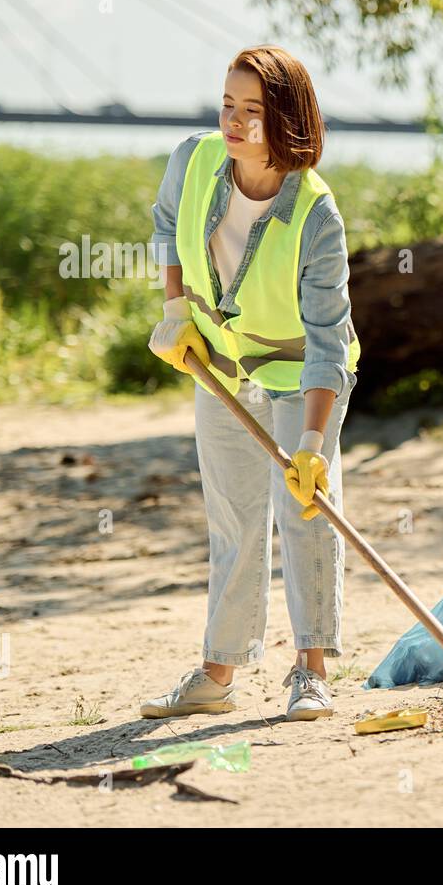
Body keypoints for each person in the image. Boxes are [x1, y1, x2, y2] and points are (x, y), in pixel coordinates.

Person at [139, 45, 360, 721]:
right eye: (227, 105)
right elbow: (168, 229)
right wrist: (177, 311)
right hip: (221, 366)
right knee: (232, 517)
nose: (232, 123)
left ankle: (311, 671)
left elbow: (327, 344)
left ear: (286, 121)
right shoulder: (195, 159)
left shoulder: (316, 216)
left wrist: (314, 446)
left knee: (305, 511)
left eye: (252, 111)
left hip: (302, 374)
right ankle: (218, 675)